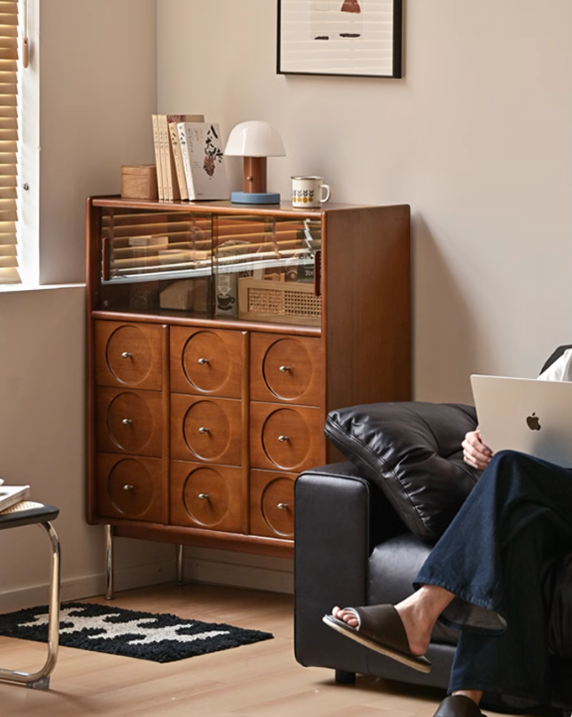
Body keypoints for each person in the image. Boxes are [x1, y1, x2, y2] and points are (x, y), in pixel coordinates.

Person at [323, 347, 572, 717]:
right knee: (515, 524)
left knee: (511, 474)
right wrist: (481, 442)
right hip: (554, 505)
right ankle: (462, 702)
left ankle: (418, 614)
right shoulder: (568, 361)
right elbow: (525, 422)